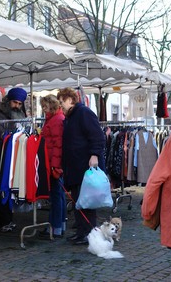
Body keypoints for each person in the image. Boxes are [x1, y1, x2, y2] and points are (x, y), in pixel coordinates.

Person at [57, 87, 106, 245]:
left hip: (83, 165)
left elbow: (97, 135)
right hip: (74, 167)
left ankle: (88, 233)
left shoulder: (83, 113)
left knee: (87, 201)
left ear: (70, 99)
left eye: (62, 101)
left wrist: (94, 154)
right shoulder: (70, 117)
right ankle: (81, 231)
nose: (60, 105)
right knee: (78, 200)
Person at [0, 87, 27, 232]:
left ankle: (9, 218)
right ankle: (3, 220)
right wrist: (9, 137)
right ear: (9, 100)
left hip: (17, 150)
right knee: (1, 184)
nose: (17, 105)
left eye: (19, 103)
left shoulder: (20, 112)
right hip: (2, 151)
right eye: (15, 102)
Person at [38, 94, 66, 238]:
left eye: (45, 106)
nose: (43, 109)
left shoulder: (56, 120)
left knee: (56, 196)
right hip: (53, 164)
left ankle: (55, 227)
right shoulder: (55, 119)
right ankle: (59, 225)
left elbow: (57, 146)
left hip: (53, 165)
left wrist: (55, 166)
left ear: (52, 105)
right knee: (58, 195)